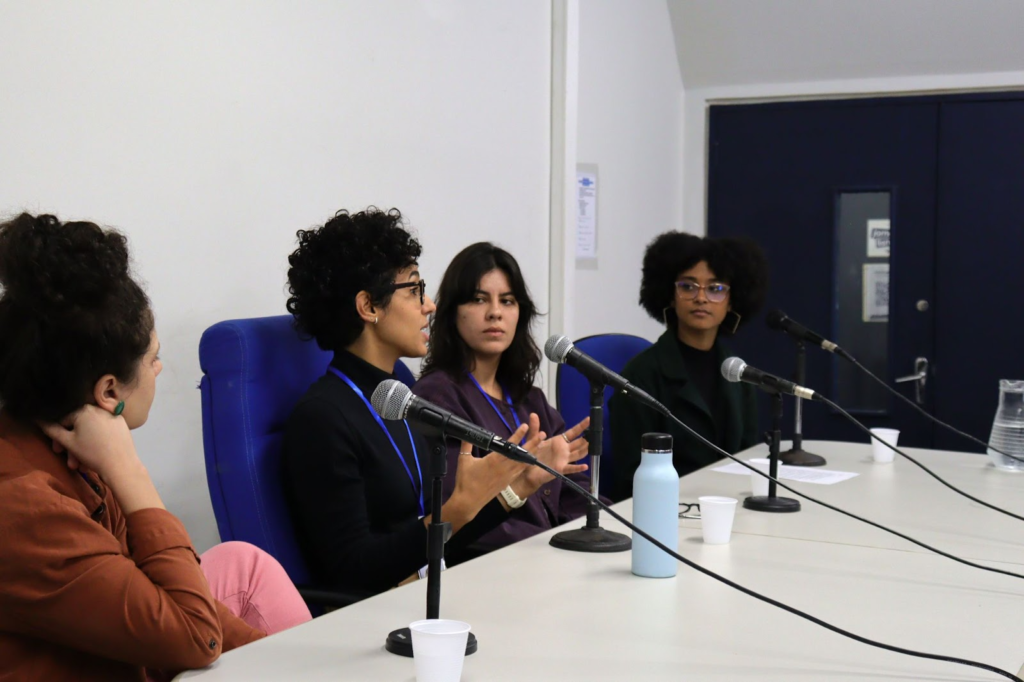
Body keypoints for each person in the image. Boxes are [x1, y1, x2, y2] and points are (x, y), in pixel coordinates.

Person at [0, 213, 310, 682]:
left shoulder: (66, 450)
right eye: (154, 356)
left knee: (240, 562)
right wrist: (131, 474)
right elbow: (195, 636)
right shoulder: (28, 505)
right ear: (109, 392)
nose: (160, 369)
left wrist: (293, 666)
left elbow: (156, 593)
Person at [282, 209, 554, 599]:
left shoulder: (399, 396)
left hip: (430, 593)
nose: (429, 305)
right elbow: (352, 568)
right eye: (413, 290)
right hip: (375, 615)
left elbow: (437, 540)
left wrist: (515, 490)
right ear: (369, 307)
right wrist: (458, 508)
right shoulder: (322, 418)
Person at [414, 242, 591, 556]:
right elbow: (458, 516)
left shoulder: (530, 399)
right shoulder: (437, 398)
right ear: (453, 312)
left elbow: (575, 493)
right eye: (479, 299)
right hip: (496, 562)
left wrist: (598, 527)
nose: (495, 312)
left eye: (507, 301)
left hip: (552, 555)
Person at [609, 232, 769, 501]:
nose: (701, 298)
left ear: (731, 301)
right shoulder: (641, 375)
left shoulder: (737, 371)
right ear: (671, 295)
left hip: (728, 505)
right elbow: (631, 474)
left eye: (715, 288)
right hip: (665, 507)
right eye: (688, 286)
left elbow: (747, 455)